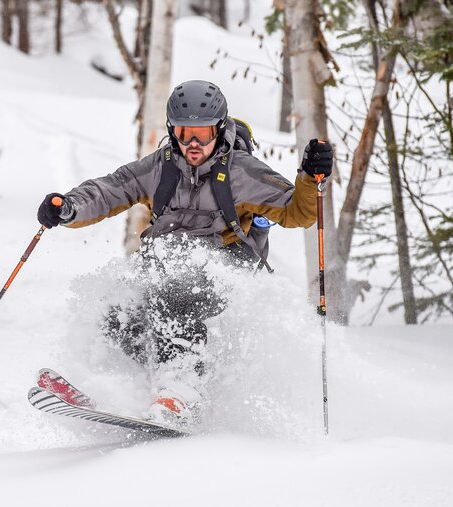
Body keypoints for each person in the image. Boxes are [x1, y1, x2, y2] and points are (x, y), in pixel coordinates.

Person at [36, 80, 333, 424]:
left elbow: (298, 211)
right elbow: (110, 189)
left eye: (203, 134)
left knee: (179, 294)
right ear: (171, 129)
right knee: (120, 308)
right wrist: (69, 207)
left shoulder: (241, 172)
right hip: (168, 262)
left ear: (219, 131)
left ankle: (180, 394)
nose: (193, 144)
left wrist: (311, 179)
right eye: (183, 132)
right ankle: (110, 389)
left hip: (227, 265)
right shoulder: (161, 167)